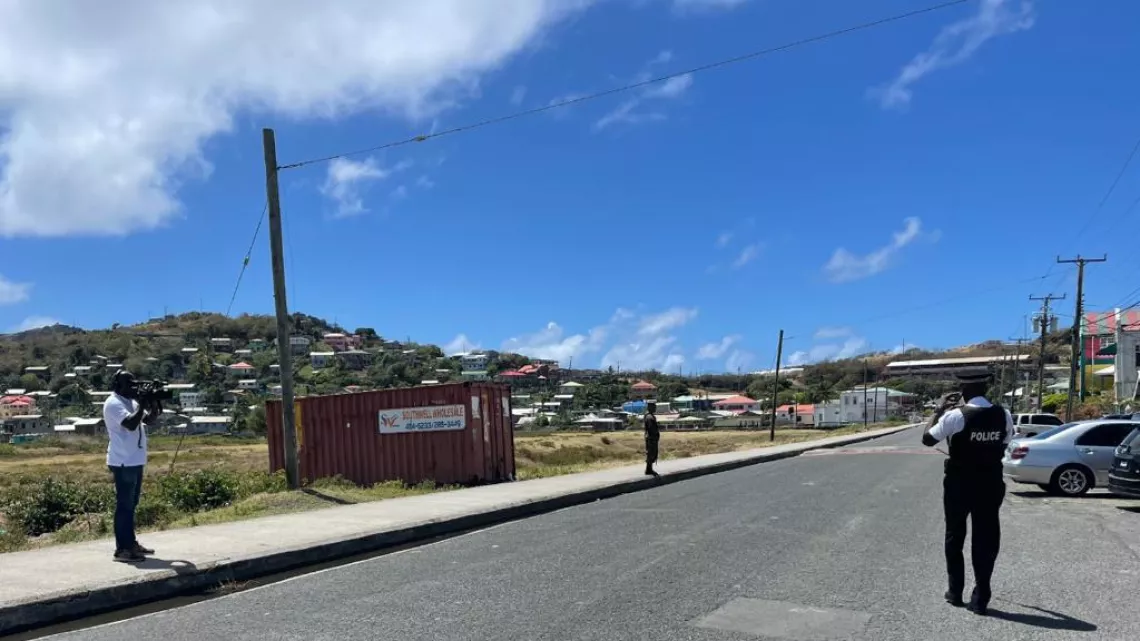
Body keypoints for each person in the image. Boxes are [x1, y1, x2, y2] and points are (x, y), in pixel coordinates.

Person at [921, 370, 1014, 615]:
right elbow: (1004, 443)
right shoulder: (1003, 414)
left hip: (959, 484)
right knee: (986, 538)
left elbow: (928, 439)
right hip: (990, 483)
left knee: (955, 536)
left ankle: (955, 591)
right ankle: (981, 598)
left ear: (964, 390)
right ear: (986, 389)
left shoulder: (955, 416)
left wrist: (938, 411)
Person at [104, 370, 160, 563]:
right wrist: (142, 403)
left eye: (134, 383)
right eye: (129, 384)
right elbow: (130, 424)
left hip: (135, 460)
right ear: (118, 385)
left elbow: (148, 420)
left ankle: (131, 543)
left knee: (132, 504)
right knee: (124, 505)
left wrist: (153, 404)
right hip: (123, 461)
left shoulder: (131, 402)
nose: (133, 387)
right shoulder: (114, 403)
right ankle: (122, 549)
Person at [644, 402, 660, 477]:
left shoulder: (650, 416)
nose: (655, 408)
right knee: (651, 453)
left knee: (652, 453)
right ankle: (648, 469)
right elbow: (651, 429)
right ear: (650, 407)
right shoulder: (649, 417)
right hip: (651, 438)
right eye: (654, 407)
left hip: (652, 438)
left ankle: (649, 469)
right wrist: (655, 434)